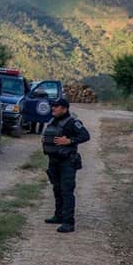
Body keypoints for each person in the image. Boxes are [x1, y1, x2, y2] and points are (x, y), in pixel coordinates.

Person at [42, 98, 90, 233]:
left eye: (56, 107)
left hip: (67, 161)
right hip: (54, 161)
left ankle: (68, 222)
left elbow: (86, 135)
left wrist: (69, 140)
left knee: (66, 191)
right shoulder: (53, 120)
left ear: (64, 108)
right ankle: (58, 215)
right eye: (53, 106)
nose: (53, 109)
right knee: (57, 189)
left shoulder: (72, 122)